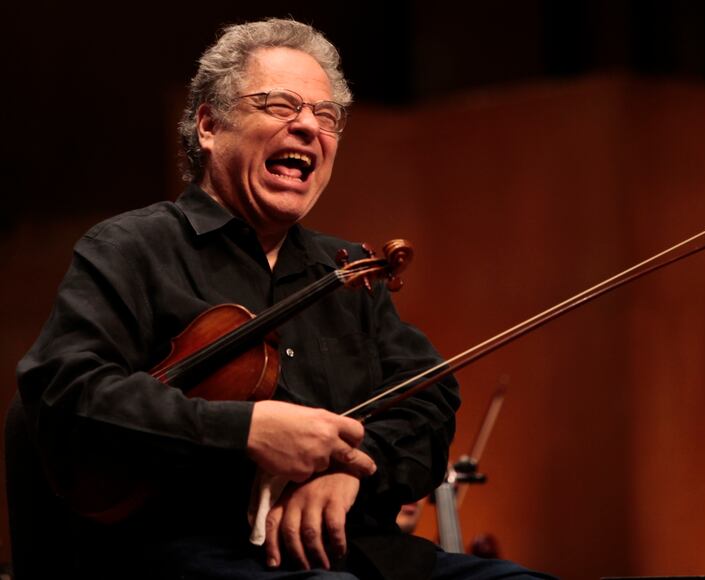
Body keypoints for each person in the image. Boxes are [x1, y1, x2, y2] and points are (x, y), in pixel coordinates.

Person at [16, 17, 554, 580]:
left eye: (326, 116)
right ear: (207, 125)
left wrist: (352, 470)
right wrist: (247, 432)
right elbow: (67, 392)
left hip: (360, 550)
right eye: (279, 105)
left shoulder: (347, 272)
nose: (308, 127)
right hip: (191, 553)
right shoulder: (131, 249)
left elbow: (430, 402)